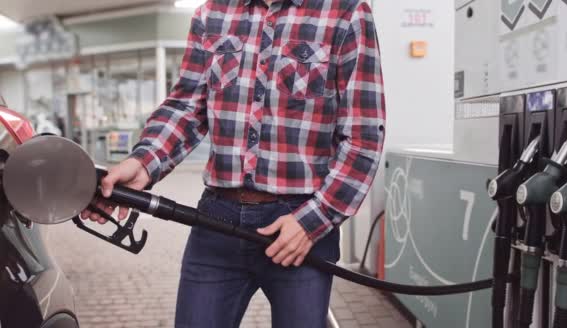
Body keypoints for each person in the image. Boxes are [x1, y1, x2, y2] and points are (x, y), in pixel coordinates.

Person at [81, 0, 385, 326]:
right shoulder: (211, 14)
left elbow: (363, 136)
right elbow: (186, 108)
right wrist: (142, 163)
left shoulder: (345, 12)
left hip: (300, 225)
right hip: (218, 221)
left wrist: (315, 221)